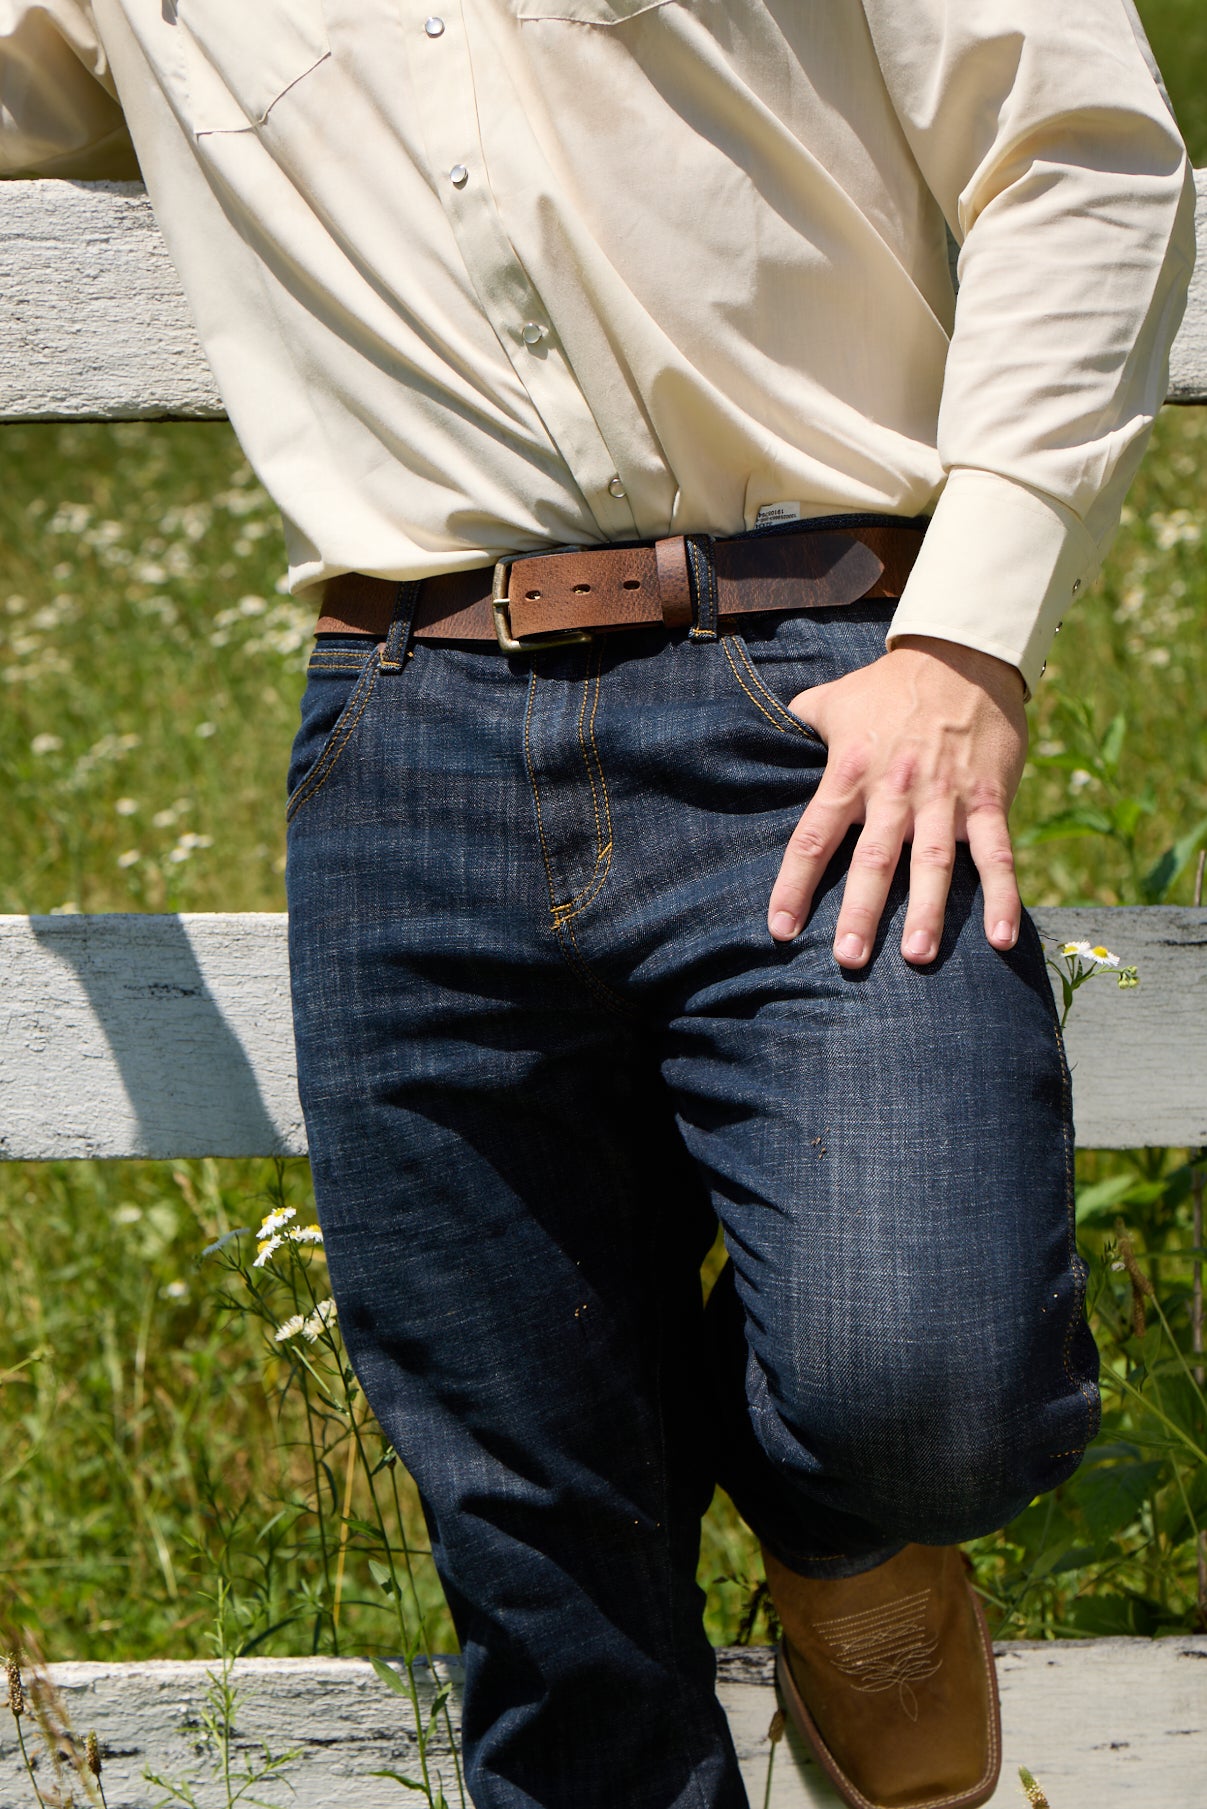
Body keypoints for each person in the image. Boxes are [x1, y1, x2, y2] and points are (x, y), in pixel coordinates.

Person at [1, 4, 1195, 1806]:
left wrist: (966, 639)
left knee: (927, 1383)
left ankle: (843, 1532)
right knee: (534, 1542)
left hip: (821, 682)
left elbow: (1082, 150)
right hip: (408, 718)